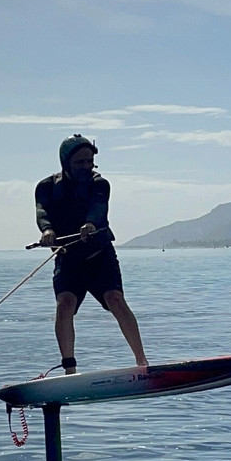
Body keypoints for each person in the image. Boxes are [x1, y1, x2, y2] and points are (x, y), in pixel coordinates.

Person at [35, 134, 148, 374]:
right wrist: (47, 230)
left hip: (100, 255)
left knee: (115, 299)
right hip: (69, 258)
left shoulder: (100, 184)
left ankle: (142, 362)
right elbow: (42, 211)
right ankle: (70, 369)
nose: (86, 167)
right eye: (80, 162)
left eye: (89, 161)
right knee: (64, 304)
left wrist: (89, 224)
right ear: (66, 163)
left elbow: (98, 207)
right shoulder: (46, 188)